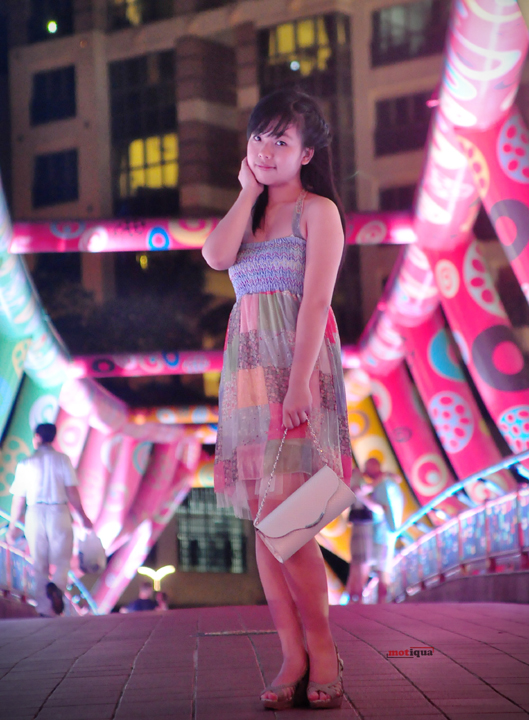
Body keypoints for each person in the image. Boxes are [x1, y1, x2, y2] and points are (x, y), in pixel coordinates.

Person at [202, 88, 353, 710]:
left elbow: (316, 302)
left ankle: (321, 651)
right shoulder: (252, 210)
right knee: (268, 526)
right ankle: (292, 655)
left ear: (306, 153)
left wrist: (296, 385)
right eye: (257, 138)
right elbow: (215, 257)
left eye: (280, 142)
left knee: (291, 524)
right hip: (247, 379)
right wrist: (245, 192)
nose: (265, 151)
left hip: (298, 373)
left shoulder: (317, 212)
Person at [6, 423, 93, 617]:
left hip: (35, 513)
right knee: (63, 561)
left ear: (37, 437)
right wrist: (83, 517)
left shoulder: (26, 462)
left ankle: (44, 610)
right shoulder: (63, 460)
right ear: (53, 437)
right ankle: (57, 588)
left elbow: (19, 498)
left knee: (40, 564)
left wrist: (13, 526)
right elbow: (72, 491)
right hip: (59, 511)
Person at [356, 458, 404, 603]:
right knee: (381, 569)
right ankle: (382, 602)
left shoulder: (383, 484)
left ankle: (383, 604)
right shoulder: (386, 481)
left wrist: (362, 498)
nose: (366, 472)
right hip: (385, 532)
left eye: (367, 468)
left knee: (382, 570)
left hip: (384, 532)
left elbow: (381, 508)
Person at [343, 467, 374, 604]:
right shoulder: (360, 484)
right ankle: (357, 593)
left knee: (357, 561)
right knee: (362, 560)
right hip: (362, 523)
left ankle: (353, 593)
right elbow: (363, 489)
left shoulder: (352, 483)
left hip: (357, 523)